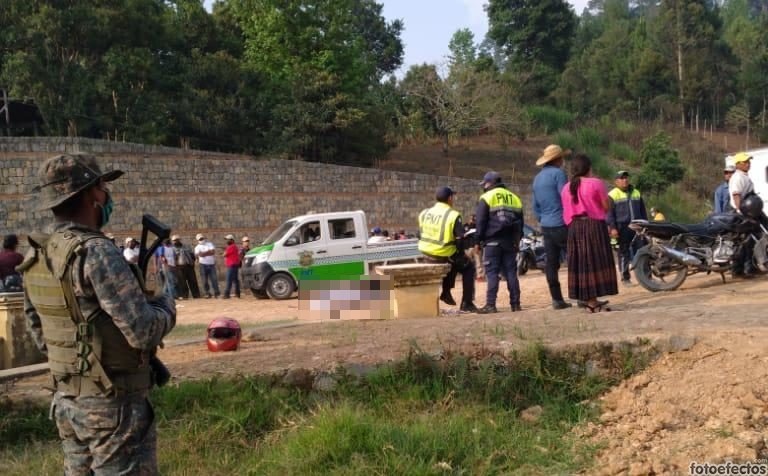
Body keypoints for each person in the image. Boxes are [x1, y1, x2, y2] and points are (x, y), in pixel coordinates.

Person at [20, 153, 175, 474]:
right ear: (92, 194)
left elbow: (39, 332)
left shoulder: (37, 252)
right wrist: (165, 303)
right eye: (103, 185)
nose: (107, 194)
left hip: (67, 404)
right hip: (112, 407)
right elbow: (143, 330)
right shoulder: (96, 252)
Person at [561, 154, 618, 312]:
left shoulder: (566, 188)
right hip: (593, 226)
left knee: (581, 263)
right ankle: (592, 302)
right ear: (589, 168)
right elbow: (605, 206)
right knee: (594, 261)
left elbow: (565, 211)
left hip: (574, 228)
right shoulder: (596, 183)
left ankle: (588, 299)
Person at [418, 186, 477, 312]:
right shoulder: (453, 215)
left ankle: (446, 292)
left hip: (425, 253)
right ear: (450, 198)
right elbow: (460, 238)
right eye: (453, 197)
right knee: (468, 266)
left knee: (455, 260)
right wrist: (463, 253)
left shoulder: (424, 213)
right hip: (442, 253)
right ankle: (466, 302)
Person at [475, 171, 524, 313]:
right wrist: (517, 240)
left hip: (492, 242)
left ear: (489, 184)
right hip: (510, 242)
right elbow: (520, 223)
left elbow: (481, 221)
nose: (484, 187)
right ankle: (516, 304)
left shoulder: (486, 197)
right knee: (511, 273)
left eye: (484, 184)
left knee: (492, 273)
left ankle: (491, 304)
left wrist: (478, 241)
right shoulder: (515, 198)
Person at [532, 144, 572, 310]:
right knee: (575, 258)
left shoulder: (537, 178)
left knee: (551, 263)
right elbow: (566, 197)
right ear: (558, 159)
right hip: (561, 223)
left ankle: (556, 299)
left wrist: (543, 219)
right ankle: (583, 294)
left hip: (546, 225)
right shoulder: (559, 174)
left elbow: (535, 206)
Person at [607, 170, 647, 285]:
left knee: (642, 251)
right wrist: (613, 228)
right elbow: (609, 214)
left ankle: (646, 276)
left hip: (638, 227)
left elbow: (643, 211)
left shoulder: (636, 193)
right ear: (616, 181)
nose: (625, 180)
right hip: (622, 228)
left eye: (626, 177)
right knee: (624, 253)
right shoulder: (612, 195)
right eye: (622, 178)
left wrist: (646, 225)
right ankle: (625, 278)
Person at [729, 152, 756, 277]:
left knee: (748, 240)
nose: (748, 164)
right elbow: (736, 196)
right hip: (740, 213)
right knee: (744, 242)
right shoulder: (738, 177)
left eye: (748, 161)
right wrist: (741, 212)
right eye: (745, 162)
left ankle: (747, 267)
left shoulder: (745, 176)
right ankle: (742, 269)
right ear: (738, 164)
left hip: (748, 212)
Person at [171, 235, 200, 299]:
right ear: (172, 241)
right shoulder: (172, 249)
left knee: (193, 281)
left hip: (189, 266)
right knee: (182, 282)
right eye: (174, 240)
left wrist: (193, 262)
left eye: (177, 240)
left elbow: (192, 255)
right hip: (179, 267)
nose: (176, 241)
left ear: (179, 240)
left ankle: (196, 295)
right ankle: (185, 296)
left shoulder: (186, 246)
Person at [194, 233, 220, 299]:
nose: (202, 240)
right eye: (200, 239)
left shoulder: (209, 244)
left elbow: (213, 252)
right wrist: (208, 252)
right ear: (198, 240)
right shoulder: (197, 247)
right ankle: (207, 293)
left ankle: (216, 293)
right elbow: (199, 255)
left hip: (211, 264)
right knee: (204, 280)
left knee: (214, 279)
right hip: (203, 265)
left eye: (202, 238)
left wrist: (203, 253)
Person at [223, 234, 241, 298]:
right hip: (235, 265)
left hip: (231, 265)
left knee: (229, 279)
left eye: (228, 240)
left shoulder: (231, 247)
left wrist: (224, 252)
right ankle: (237, 293)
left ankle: (227, 294)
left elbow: (224, 254)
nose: (227, 241)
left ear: (232, 240)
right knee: (235, 280)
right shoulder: (235, 246)